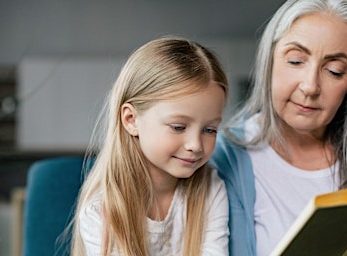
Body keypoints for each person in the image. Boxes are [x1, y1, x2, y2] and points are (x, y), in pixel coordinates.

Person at [210, 0, 347, 255]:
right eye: (295, 61)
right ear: (268, 60)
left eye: (335, 71)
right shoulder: (226, 156)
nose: (310, 87)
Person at [70, 37, 230, 255]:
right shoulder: (100, 211)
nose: (195, 145)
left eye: (209, 130)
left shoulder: (211, 188)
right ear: (131, 120)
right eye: (178, 127)